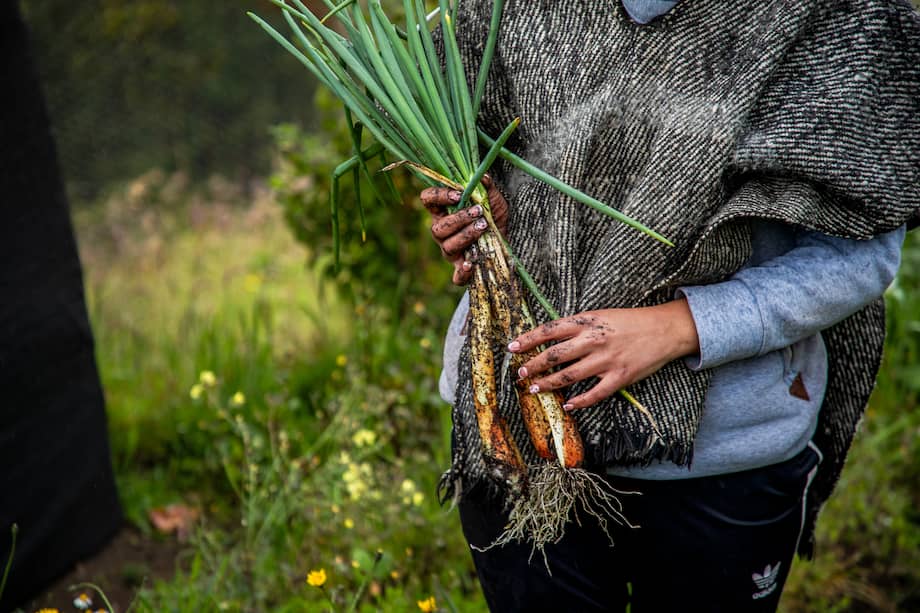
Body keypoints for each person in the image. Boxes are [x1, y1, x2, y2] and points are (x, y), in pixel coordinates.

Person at [421, 0, 920, 610]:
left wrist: (678, 327)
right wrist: (481, 210)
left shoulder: (834, 16)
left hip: (720, 456)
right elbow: (478, 150)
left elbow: (859, 255)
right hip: (511, 430)